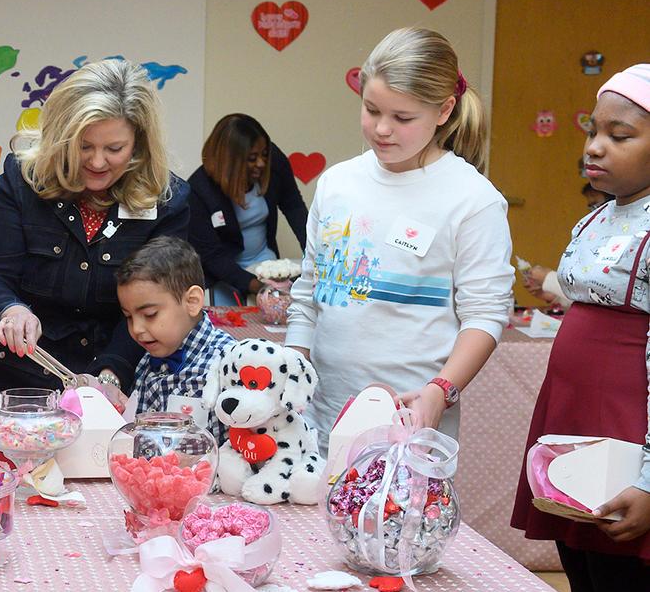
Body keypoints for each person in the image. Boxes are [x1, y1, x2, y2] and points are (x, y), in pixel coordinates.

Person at [511, 63, 650, 592]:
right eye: (592, 131)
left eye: (619, 136)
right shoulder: (606, 214)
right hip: (581, 436)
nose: (594, 148)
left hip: (627, 445)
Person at [285, 28, 513, 449]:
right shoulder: (337, 183)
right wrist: (292, 370)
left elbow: (485, 314)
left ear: (445, 110)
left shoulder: (472, 199)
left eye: (403, 118)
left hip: (408, 420)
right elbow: (309, 291)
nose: (382, 129)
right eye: (371, 110)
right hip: (317, 413)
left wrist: (440, 390)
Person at [0, 58, 189, 410]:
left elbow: (157, 305)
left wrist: (110, 373)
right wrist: (10, 310)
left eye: (114, 149)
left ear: (139, 145)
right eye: (84, 146)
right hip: (23, 385)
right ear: (60, 137)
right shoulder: (23, 180)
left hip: (117, 383)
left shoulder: (167, 202)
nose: (98, 162)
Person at [116, 236, 234, 445]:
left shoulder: (227, 364)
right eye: (128, 317)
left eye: (150, 314)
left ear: (192, 301)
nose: (136, 329)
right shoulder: (148, 359)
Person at [188, 113, 308, 305]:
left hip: (264, 262)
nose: (261, 163)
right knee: (235, 326)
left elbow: (294, 207)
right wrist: (257, 287)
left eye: (264, 155)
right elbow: (212, 256)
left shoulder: (272, 161)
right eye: (251, 158)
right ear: (228, 161)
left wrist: (314, 257)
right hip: (223, 273)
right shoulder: (198, 191)